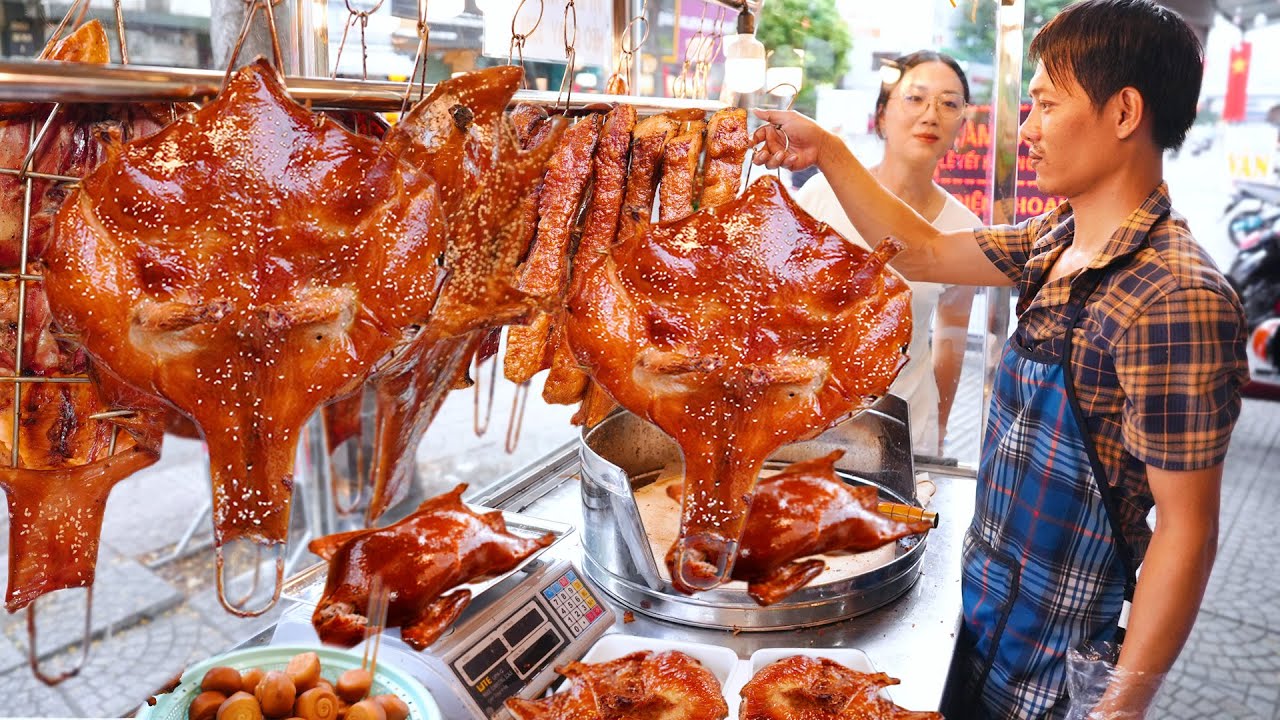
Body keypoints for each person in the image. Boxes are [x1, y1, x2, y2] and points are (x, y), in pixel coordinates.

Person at [752, 1, 1247, 718]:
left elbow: (1188, 530)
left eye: (1046, 104)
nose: (1029, 129)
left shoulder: (1173, 295)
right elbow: (922, 249)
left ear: (1124, 111)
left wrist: (1119, 705)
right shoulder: (1057, 239)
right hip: (986, 618)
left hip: (1057, 662)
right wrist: (826, 148)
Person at [794, 50, 980, 456]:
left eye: (949, 103)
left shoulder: (964, 229)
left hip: (905, 428)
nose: (931, 115)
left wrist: (940, 426)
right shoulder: (819, 197)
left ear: (961, 126)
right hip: (811, 423)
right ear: (881, 115)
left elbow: (950, 340)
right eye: (915, 98)